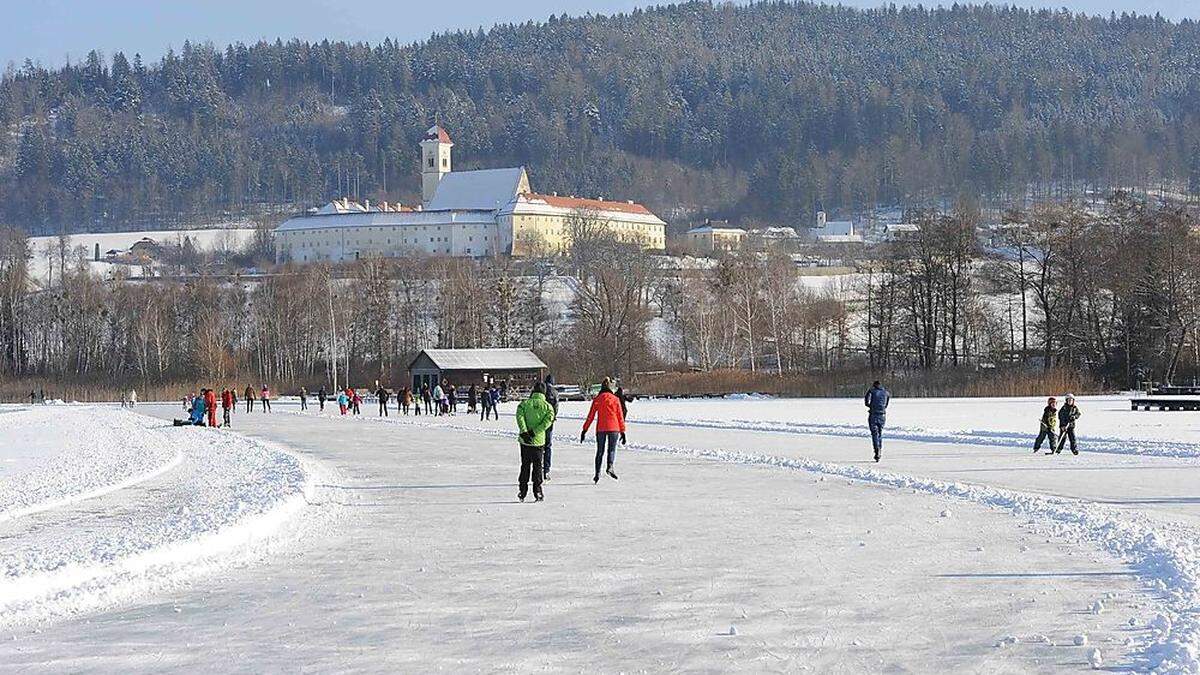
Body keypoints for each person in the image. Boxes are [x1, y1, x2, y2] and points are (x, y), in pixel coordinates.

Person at [516, 381, 556, 502]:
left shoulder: (524, 404)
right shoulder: (548, 407)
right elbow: (548, 421)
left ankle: (522, 491)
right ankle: (537, 490)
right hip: (538, 441)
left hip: (525, 441)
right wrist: (535, 432)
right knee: (538, 466)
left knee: (525, 465)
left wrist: (525, 431)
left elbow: (519, 416)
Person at [581, 378, 627, 483]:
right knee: (611, 450)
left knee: (600, 451)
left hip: (601, 428)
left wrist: (584, 430)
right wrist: (623, 432)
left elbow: (590, 416)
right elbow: (620, 416)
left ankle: (597, 473)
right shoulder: (615, 399)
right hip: (614, 427)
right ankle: (610, 466)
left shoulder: (597, 399)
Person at [865, 380, 890, 462]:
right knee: (880, 433)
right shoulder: (886, 392)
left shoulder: (872, 391)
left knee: (874, 434)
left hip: (873, 415)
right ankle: (879, 449)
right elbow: (886, 404)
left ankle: (877, 450)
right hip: (882, 415)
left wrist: (870, 406)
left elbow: (866, 401)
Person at [543, 374, 560, 481]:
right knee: (548, 445)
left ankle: (538, 467)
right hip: (549, 421)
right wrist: (553, 416)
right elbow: (556, 406)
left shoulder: (540, 390)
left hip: (538, 420)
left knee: (539, 445)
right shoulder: (554, 392)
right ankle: (546, 469)